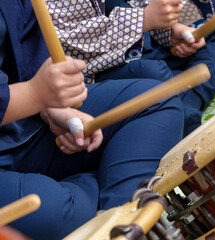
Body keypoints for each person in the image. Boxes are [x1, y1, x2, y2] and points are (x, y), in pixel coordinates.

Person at [0, 1, 184, 239]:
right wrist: (34, 95)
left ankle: (117, 220)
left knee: (157, 99)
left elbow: (26, 56)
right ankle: (109, 195)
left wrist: (51, 108)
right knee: (56, 213)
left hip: (26, 125)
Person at [45, 0, 215, 136]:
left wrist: (170, 30)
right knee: (154, 73)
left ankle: (189, 99)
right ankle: (178, 104)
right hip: (104, 64)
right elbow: (68, 40)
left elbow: (140, 4)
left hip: (150, 42)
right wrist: (145, 19)